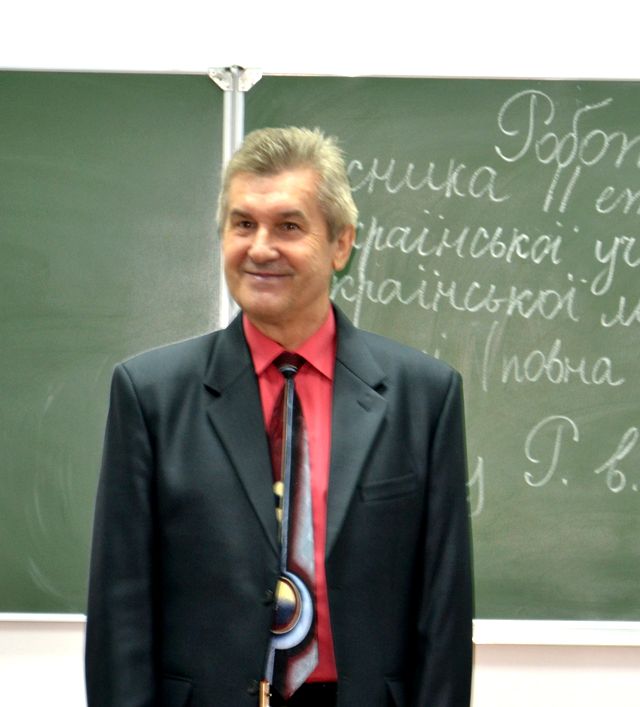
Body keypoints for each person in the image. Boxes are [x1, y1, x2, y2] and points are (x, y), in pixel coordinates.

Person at [85, 127, 474, 707]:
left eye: (289, 226)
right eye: (243, 224)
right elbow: (120, 609)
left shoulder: (424, 397)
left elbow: (444, 611)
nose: (261, 248)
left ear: (341, 244)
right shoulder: (150, 396)